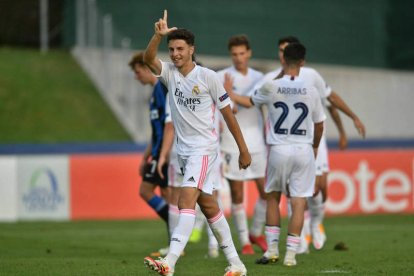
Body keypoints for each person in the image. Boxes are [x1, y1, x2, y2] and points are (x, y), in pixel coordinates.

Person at [142, 10, 251, 276]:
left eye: (180, 48)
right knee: (209, 206)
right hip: (184, 152)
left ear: (192, 49)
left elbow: (228, 114)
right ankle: (236, 264)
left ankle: (170, 261)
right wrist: (157, 36)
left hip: (203, 150)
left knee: (185, 199)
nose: (175, 53)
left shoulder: (208, 77)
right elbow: (147, 59)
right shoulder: (169, 73)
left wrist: (243, 149)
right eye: (172, 49)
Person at [258, 36, 366, 252]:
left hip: (312, 139)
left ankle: (316, 223)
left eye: (285, 50)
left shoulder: (311, 76)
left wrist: (350, 120)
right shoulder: (270, 78)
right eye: (280, 50)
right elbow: (257, 103)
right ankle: (301, 240)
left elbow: (331, 101)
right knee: (295, 192)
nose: (282, 54)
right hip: (287, 142)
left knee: (318, 189)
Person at [228, 42, 326, 266]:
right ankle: (291, 255)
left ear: (283, 60)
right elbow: (320, 125)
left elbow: (250, 102)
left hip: (278, 149)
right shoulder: (311, 90)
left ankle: (272, 250)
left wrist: (229, 93)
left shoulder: (271, 86)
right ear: (302, 62)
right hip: (303, 148)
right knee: (299, 201)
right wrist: (314, 147)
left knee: (272, 197)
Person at [217, 34, 268, 254]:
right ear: (231, 55)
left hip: (256, 141)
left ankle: (256, 231)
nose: (238, 58)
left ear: (249, 53)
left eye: (242, 53)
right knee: (237, 195)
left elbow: (252, 103)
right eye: (234, 54)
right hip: (231, 143)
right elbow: (233, 110)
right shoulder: (220, 76)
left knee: (267, 191)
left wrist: (231, 94)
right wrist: (231, 97)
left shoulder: (261, 78)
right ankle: (245, 241)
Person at [128, 52, 170, 256]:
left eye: (138, 72)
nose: (136, 77)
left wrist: (163, 153)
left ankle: (176, 236)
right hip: (158, 151)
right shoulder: (155, 91)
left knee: (148, 191)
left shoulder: (161, 89)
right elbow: (156, 131)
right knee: (166, 195)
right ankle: (175, 240)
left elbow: (168, 125)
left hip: (165, 152)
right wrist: (146, 156)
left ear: (146, 68)